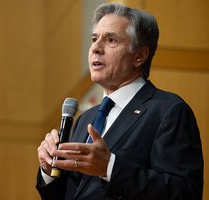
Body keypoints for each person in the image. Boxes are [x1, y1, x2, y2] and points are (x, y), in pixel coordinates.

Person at [36, 2, 203, 200]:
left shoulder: (168, 111)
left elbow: (184, 193)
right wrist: (48, 171)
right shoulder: (85, 119)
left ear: (139, 56)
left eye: (111, 40)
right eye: (94, 39)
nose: (96, 48)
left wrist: (109, 168)